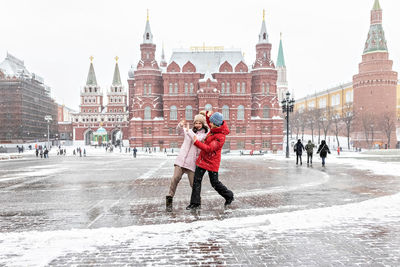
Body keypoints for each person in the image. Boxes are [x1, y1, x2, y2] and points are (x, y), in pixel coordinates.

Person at [186, 111, 234, 210]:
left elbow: (209, 149)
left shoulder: (220, 136)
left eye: (211, 123)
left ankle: (229, 195)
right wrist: (207, 114)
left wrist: (196, 142)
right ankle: (195, 203)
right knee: (196, 181)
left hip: (212, 163)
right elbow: (210, 121)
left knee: (215, 183)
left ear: (215, 124)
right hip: (202, 160)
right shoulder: (214, 128)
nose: (209, 124)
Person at [166, 114, 208, 212]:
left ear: (203, 124)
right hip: (181, 160)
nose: (197, 125)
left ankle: (197, 201)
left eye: (199, 123)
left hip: (192, 163)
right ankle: (169, 198)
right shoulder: (189, 131)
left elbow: (196, 140)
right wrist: (180, 125)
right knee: (175, 179)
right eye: (196, 123)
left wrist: (188, 130)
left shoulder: (205, 135)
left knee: (193, 184)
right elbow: (179, 131)